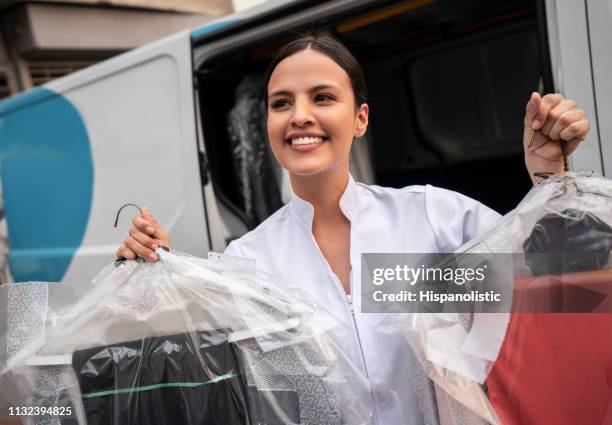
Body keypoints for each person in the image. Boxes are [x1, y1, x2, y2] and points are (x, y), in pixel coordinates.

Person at [116, 34, 590, 424]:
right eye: (282, 103)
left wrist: (546, 177)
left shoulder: (431, 217)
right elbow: (182, 368)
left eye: (322, 97)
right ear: (268, 123)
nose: (300, 115)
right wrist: (147, 274)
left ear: (360, 118)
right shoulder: (244, 261)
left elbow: (546, 285)